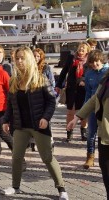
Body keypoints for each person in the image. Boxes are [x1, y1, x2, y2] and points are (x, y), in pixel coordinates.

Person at [2, 47, 68, 200]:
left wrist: (46, 117)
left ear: (30, 59)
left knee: (47, 157)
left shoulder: (40, 78)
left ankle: (61, 189)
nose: (19, 61)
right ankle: (15, 186)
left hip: (39, 125)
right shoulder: (14, 80)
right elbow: (10, 104)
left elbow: (52, 101)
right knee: (16, 156)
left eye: (22, 58)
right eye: (17, 58)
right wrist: (6, 120)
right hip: (20, 125)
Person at [67, 69, 109, 199]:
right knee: (106, 171)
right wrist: (77, 117)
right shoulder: (106, 79)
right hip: (105, 135)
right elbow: (94, 99)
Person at [55, 42, 91, 142]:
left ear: (87, 51)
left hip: (83, 89)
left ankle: (83, 132)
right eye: (79, 48)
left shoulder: (89, 60)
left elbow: (91, 73)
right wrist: (58, 85)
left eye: (83, 49)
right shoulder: (71, 58)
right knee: (70, 111)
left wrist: (84, 80)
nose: (80, 51)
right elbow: (64, 72)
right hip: (71, 88)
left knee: (84, 111)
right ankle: (69, 132)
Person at [82, 50, 109, 169]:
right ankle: (90, 157)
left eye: (96, 62)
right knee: (90, 134)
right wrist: (83, 111)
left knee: (105, 135)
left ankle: (104, 158)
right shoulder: (89, 74)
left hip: (105, 108)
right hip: (92, 106)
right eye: (92, 63)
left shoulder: (106, 72)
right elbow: (88, 93)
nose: (94, 65)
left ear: (101, 60)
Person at [32, 48, 56, 151]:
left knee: (46, 121)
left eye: (38, 56)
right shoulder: (30, 67)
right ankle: (33, 142)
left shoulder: (46, 68)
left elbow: (51, 83)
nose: (36, 58)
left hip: (45, 98)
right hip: (33, 99)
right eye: (34, 56)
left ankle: (50, 142)